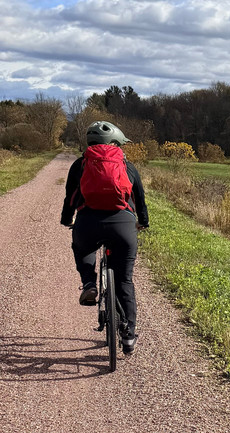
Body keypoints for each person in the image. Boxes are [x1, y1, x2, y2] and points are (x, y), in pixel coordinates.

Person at [60, 121, 149, 354]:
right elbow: (139, 199)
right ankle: (128, 336)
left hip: (88, 222)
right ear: (115, 144)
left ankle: (89, 283)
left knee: (83, 248)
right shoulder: (127, 166)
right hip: (123, 226)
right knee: (124, 281)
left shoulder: (80, 165)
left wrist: (67, 219)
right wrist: (144, 222)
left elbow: (71, 198)